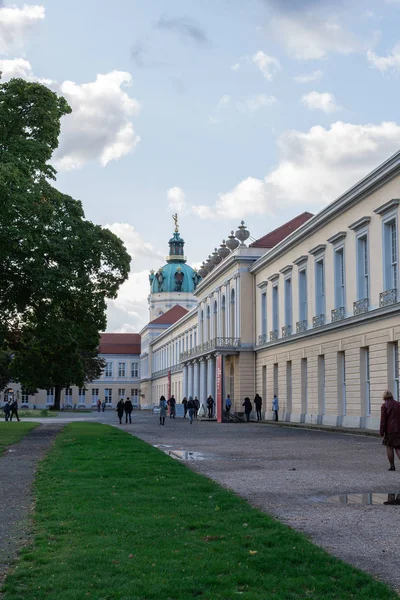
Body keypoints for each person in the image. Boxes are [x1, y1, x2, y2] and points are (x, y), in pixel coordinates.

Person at [380, 390, 400, 471]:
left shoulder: (384, 406)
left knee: (389, 447)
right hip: (399, 429)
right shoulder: (399, 404)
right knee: (398, 447)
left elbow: (383, 420)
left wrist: (381, 431)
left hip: (389, 430)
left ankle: (392, 466)